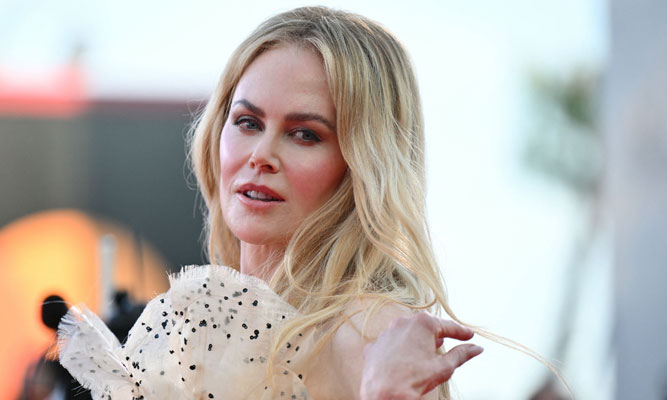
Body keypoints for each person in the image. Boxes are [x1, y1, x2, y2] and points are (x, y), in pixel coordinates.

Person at [58, 6, 484, 399]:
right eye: (247, 122)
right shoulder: (191, 321)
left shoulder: (374, 334)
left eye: (305, 134)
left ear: (363, 164)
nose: (261, 154)